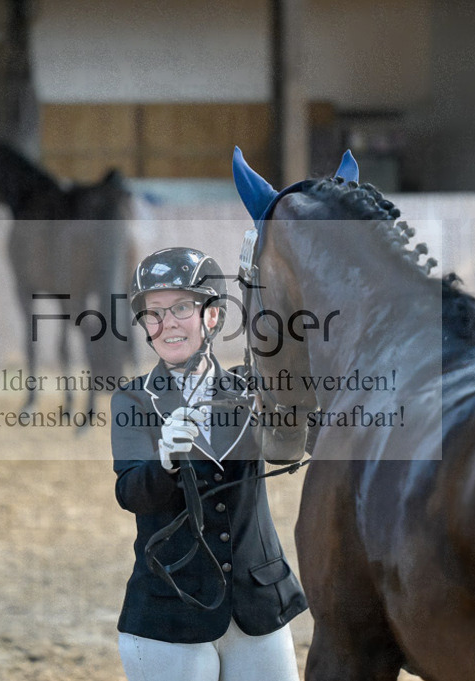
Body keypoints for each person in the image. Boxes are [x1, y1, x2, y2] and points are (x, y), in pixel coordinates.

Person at [111, 247, 307, 681]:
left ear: (213, 316)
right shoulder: (132, 399)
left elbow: (292, 449)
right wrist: (164, 461)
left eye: (182, 308)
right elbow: (130, 492)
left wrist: (285, 412)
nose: (167, 323)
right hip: (171, 609)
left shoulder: (252, 387)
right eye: (153, 313)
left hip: (258, 606)